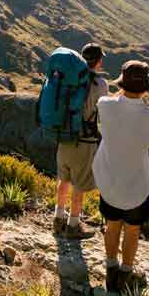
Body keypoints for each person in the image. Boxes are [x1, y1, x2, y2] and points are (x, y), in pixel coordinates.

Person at [92, 60, 149, 293]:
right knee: (132, 230)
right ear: (146, 88)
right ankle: (125, 272)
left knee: (112, 226)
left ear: (121, 84)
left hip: (110, 181)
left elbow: (108, 102)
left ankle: (111, 269)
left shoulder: (105, 105)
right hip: (137, 183)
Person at [53, 43, 109, 240]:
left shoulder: (68, 77)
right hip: (84, 141)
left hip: (64, 136)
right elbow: (103, 114)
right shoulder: (100, 84)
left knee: (64, 178)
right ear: (98, 61)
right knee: (79, 183)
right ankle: (74, 225)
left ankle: (58, 218)